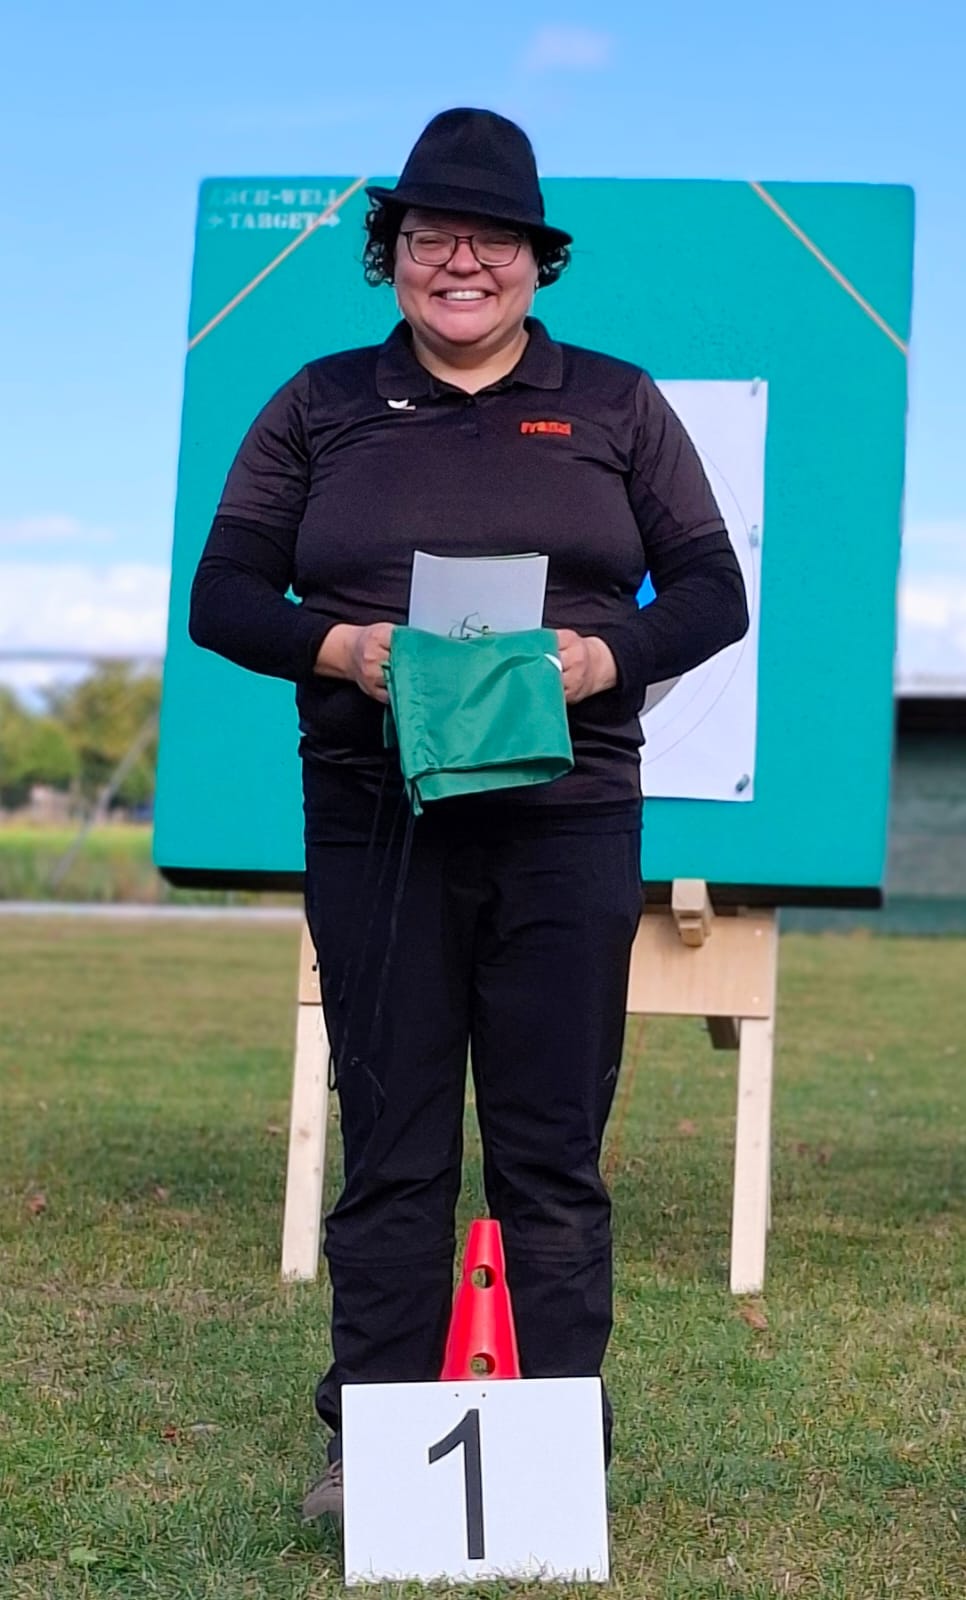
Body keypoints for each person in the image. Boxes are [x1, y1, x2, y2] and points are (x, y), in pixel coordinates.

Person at [188, 107, 749, 1520]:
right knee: (391, 1143)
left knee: (551, 1147)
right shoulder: (317, 401)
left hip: (569, 817)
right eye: (432, 235)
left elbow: (711, 591)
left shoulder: (616, 403)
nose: (461, 263)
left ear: (535, 261)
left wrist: (603, 658)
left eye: (492, 240)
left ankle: (552, 1452)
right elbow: (224, 595)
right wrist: (342, 650)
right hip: (373, 815)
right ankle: (370, 1445)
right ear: (390, 254)